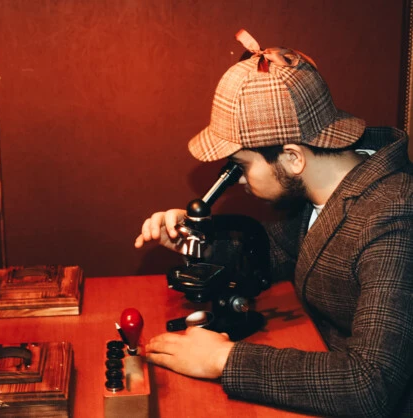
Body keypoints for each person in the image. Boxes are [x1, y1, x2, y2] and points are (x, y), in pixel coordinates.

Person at [134, 30, 413, 417]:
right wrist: (198, 241)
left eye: (242, 166)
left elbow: (370, 384)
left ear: (293, 157)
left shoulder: (393, 217)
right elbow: (273, 252)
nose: (239, 181)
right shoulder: (327, 189)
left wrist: (226, 360)